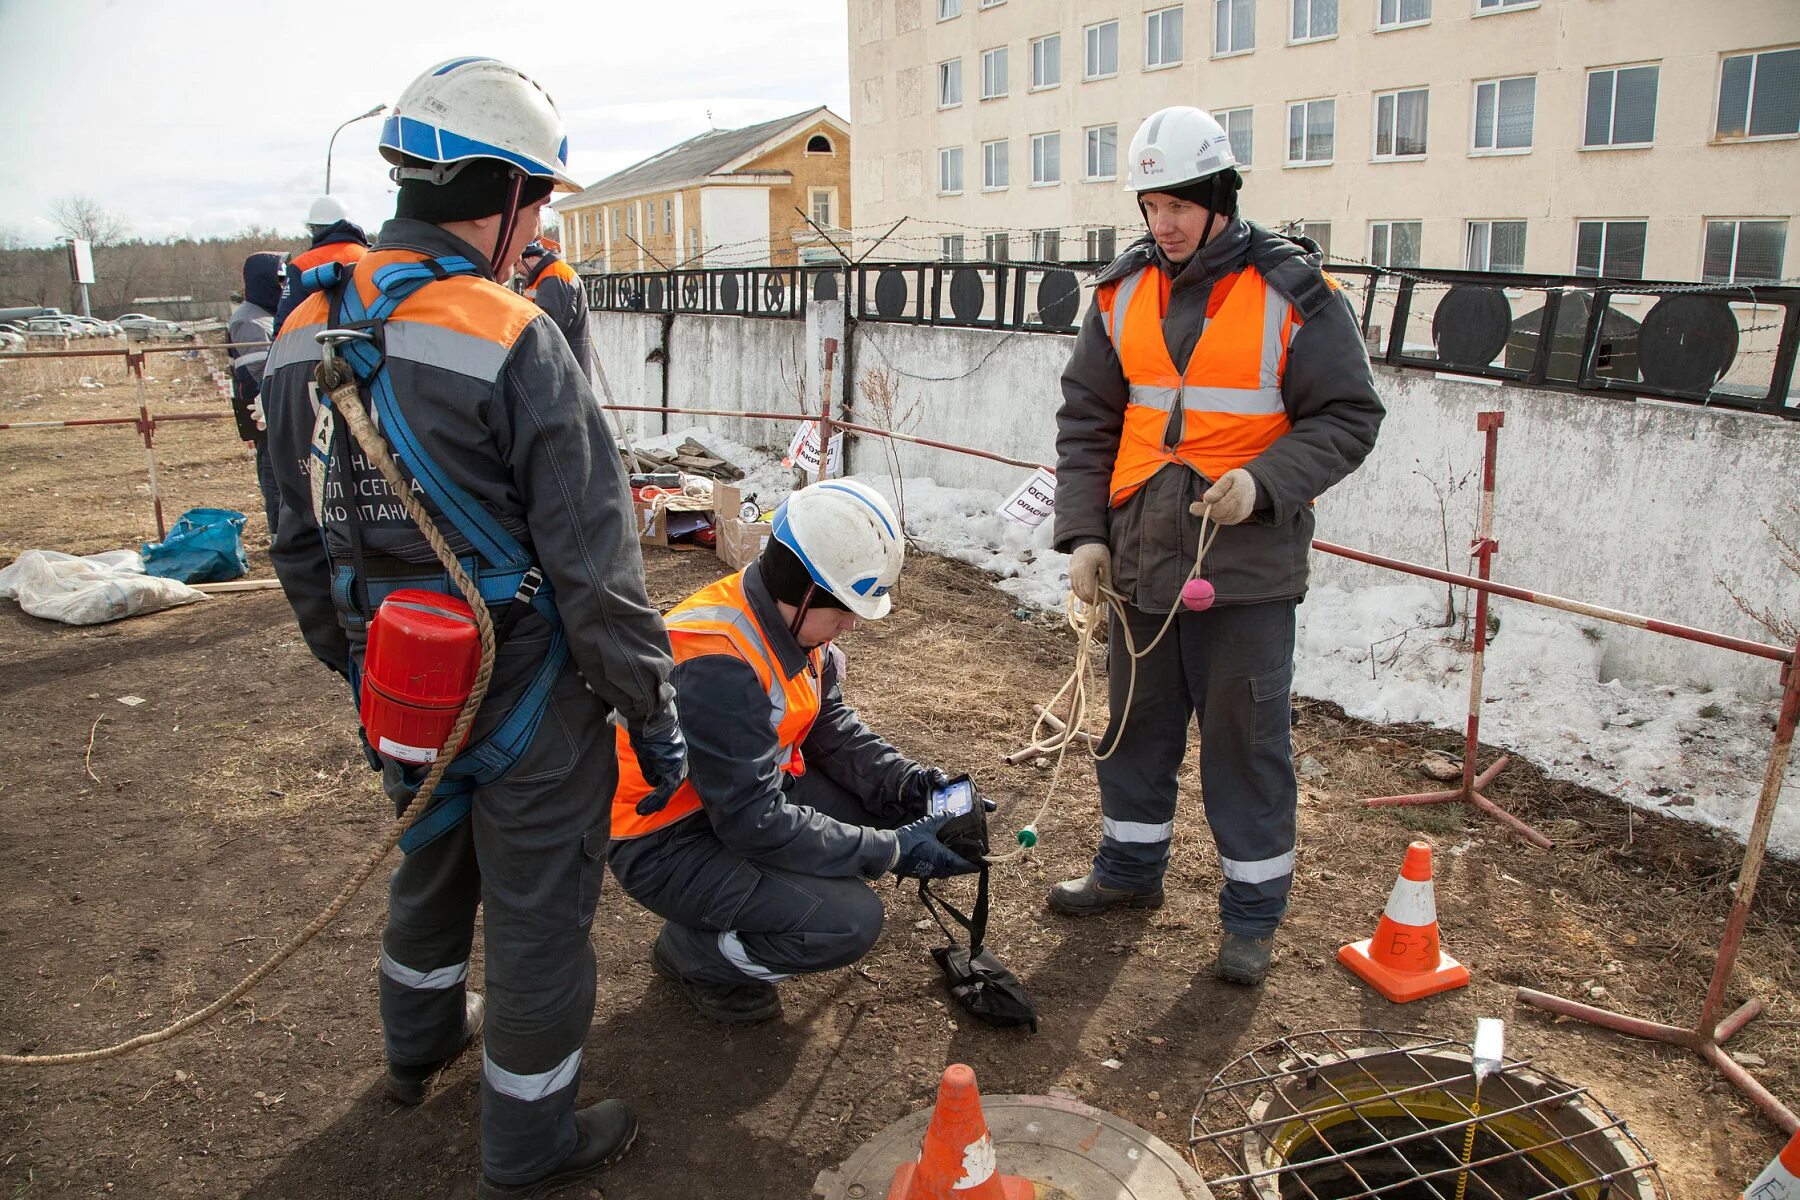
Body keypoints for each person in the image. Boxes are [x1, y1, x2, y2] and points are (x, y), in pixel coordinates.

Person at [259, 57, 686, 1197]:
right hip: (529, 696)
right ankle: (529, 1143)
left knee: (430, 865)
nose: (537, 224)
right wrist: (650, 709)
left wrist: (356, 666)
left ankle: (416, 1049)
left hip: (395, 681)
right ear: (499, 193)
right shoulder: (511, 334)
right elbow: (599, 573)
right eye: (537, 198)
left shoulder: (303, 333)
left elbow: (297, 541)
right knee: (542, 921)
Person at [1048, 106, 1384, 986]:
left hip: (1245, 570)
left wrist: (1267, 483)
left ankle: (1251, 916)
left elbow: (1349, 416)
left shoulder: (1296, 293)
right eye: (1152, 204)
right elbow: (1087, 421)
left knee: (1246, 743)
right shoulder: (1119, 295)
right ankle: (1127, 870)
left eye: (1181, 204)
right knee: (1130, 728)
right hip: (1139, 560)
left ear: (1220, 195)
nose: (1163, 223)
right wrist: (1085, 534)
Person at [609, 480, 981, 1025]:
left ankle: (741, 912)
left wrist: (913, 786)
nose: (852, 624)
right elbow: (752, 822)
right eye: (844, 609)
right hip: (667, 840)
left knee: (890, 806)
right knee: (847, 921)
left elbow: (829, 729)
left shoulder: (793, 622)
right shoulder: (719, 664)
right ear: (803, 588)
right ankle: (695, 956)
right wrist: (892, 852)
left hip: (740, 798)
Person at [226, 250, 283, 537]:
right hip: (263, 410)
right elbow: (261, 371)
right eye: (279, 279)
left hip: (275, 406)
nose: (284, 286)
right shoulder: (249, 320)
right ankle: (279, 533)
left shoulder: (268, 315)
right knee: (274, 473)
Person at [269, 194, 371, 338]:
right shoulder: (371, 258)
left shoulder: (302, 265)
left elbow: (284, 326)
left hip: (317, 352)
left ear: (315, 228)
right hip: (370, 350)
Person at [517, 236, 592, 374]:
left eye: (517, 264)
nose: (516, 270)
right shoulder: (543, 277)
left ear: (528, 257)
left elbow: (547, 334)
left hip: (564, 375)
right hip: (560, 373)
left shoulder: (554, 277)